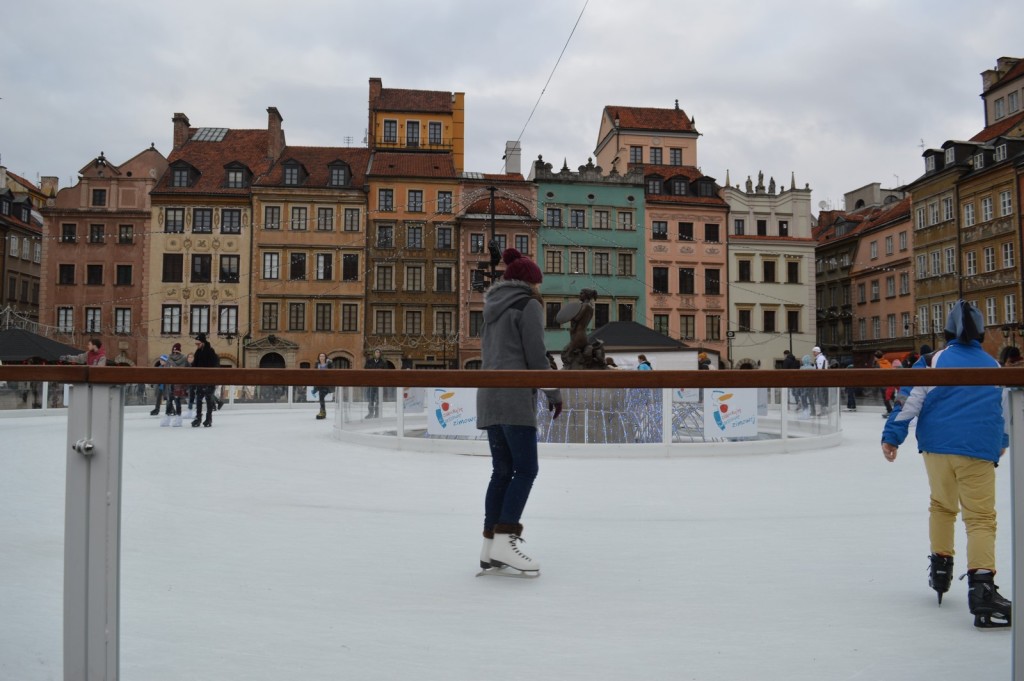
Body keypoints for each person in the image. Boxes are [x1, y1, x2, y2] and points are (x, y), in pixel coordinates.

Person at [881, 300, 1011, 628]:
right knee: (980, 518)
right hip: (977, 448)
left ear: (947, 331)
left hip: (937, 448)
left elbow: (907, 401)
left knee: (941, 506)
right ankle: (982, 589)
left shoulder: (930, 361)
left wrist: (892, 435)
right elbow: (1005, 411)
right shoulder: (994, 366)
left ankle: (941, 566)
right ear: (981, 332)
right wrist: (1002, 442)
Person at [476, 248, 562, 576]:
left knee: (502, 470)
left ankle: (489, 547)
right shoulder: (527, 305)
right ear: (529, 282)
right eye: (538, 283)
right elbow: (536, 356)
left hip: (490, 396)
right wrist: (554, 393)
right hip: (513, 398)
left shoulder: (491, 306)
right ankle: (505, 538)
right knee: (525, 470)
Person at [191, 333, 219, 428]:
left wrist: (212, 377)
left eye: (198, 344)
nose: (197, 346)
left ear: (203, 342)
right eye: (196, 344)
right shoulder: (197, 352)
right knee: (198, 399)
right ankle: (198, 418)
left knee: (208, 399)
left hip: (209, 380)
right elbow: (195, 365)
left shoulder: (210, 351)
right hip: (200, 380)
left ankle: (209, 418)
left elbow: (215, 364)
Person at [162, 343, 189, 427]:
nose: (175, 353)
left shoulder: (181, 359)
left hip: (176, 382)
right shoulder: (173, 358)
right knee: (171, 400)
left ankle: (174, 417)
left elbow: (188, 370)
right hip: (174, 382)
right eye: (174, 351)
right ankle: (173, 417)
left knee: (174, 400)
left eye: (176, 351)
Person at [364, 349, 387, 418]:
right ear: (374, 353)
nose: (377, 353)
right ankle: (370, 413)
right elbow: (365, 370)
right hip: (371, 383)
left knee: (378, 399)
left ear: (380, 354)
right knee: (370, 398)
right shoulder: (369, 362)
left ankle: (377, 413)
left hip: (379, 384)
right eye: (376, 352)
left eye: (379, 352)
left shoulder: (383, 362)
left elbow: (386, 372)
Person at [314, 352, 333, 420]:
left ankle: (322, 412)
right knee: (321, 397)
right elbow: (314, 373)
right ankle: (323, 412)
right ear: (319, 358)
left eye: (323, 356)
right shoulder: (317, 364)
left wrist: (330, 363)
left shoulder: (328, 364)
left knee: (321, 397)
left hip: (327, 383)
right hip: (319, 383)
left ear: (325, 357)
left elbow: (332, 371)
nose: (322, 357)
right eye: (320, 356)